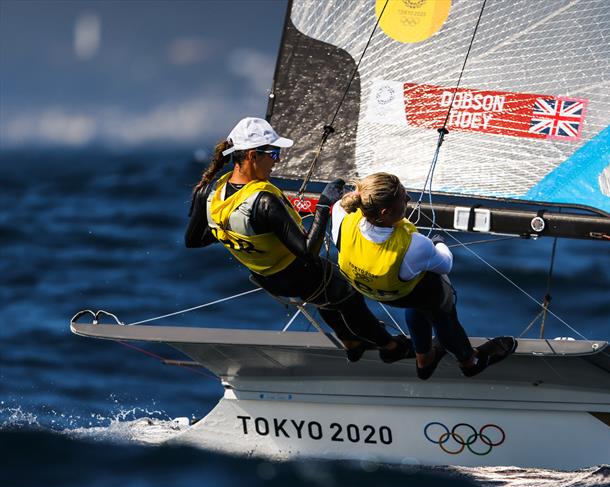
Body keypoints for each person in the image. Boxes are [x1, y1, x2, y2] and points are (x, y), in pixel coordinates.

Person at [185, 117, 410, 362]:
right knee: (348, 296)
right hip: (299, 273)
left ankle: (351, 342)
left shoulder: (209, 191)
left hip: (269, 279)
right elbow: (307, 251)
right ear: (251, 155)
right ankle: (390, 347)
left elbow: (194, 239)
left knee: (325, 298)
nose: (278, 159)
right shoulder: (263, 201)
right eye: (273, 152)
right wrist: (324, 204)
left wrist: (241, 234)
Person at [331, 172, 517, 380]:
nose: (408, 199)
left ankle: (424, 358)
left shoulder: (341, 215)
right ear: (385, 212)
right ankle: (470, 361)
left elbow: (342, 206)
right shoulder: (415, 245)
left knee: (418, 286)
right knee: (439, 303)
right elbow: (446, 264)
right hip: (405, 294)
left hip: (372, 291)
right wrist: (438, 243)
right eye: (403, 197)